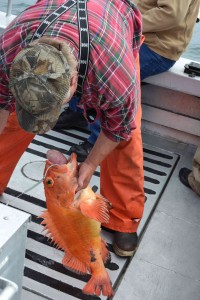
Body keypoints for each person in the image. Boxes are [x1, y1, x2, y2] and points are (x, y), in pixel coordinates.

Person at [0, 0, 145, 257]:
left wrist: (89, 166)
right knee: (12, 119)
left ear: (74, 83)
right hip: (54, 18)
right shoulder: (9, 49)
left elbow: (118, 128)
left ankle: (124, 218)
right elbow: (1, 104)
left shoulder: (114, 77)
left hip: (111, 25)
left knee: (126, 139)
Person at [56, 0, 200, 161]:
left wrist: (124, 24)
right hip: (130, 35)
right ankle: (77, 112)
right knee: (80, 48)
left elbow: (171, 15)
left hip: (156, 46)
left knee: (103, 74)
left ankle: (97, 140)